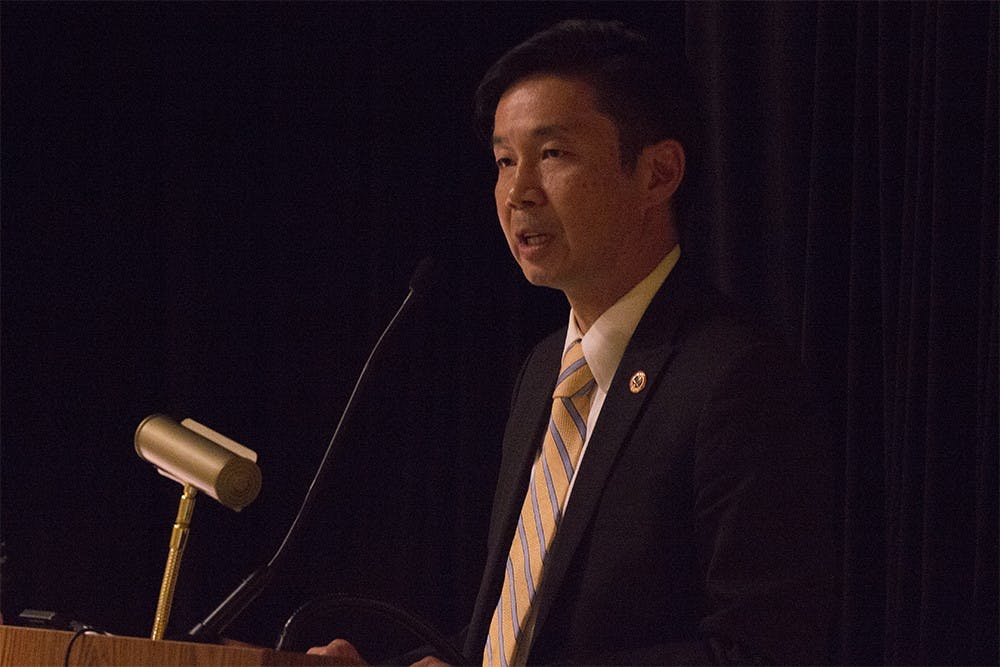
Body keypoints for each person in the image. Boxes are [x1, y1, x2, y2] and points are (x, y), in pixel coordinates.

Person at [310, 18, 833, 665]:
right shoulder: (541, 374)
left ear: (659, 172)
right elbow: (518, 635)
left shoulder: (735, 379)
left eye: (552, 153)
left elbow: (761, 651)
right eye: (504, 161)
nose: (516, 192)